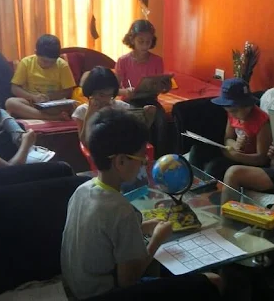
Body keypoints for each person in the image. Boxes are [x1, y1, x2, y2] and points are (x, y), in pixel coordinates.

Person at [61, 108, 222, 299]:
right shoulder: (121, 210)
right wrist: (157, 239)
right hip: (103, 295)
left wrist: (143, 227)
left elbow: (103, 233)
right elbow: (128, 280)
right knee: (213, 281)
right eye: (141, 158)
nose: (145, 163)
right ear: (120, 161)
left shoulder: (83, 189)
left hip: (74, 290)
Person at [189, 78, 271, 180]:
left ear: (248, 105)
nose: (232, 114)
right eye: (229, 111)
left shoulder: (261, 121)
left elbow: (262, 159)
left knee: (215, 167)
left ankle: (204, 189)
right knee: (197, 150)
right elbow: (228, 139)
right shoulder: (233, 114)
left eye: (234, 111)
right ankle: (191, 183)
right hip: (235, 153)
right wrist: (235, 145)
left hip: (249, 161)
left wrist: (235, 155)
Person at [115, 20, 168, 157]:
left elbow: (160, 86)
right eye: (141, 41)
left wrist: (164, 87)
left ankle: (158, 158)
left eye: (148, 42)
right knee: (137, 123)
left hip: (150, 99)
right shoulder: (123, 61)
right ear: (132, 40)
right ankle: (137, 157)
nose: (145, 46)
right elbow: (114, 89)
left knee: (162, 122)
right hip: (130, 101)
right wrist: (125, 91)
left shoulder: (157, 60)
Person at [72, 66, 156, 145]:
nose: (106, 99)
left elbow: (138, 137)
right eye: (101, 95)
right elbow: (84, 143)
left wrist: (148, 119)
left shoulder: (121, 107)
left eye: (110, 95)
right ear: (90, 92)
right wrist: (89, 114)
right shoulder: (82, 110)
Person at [5, 34, 77, 121]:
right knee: (10, 103)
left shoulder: (62, 65)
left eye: (52, 62)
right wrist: (33, 97)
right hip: (31, 102)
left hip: (53, 103)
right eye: (44, 61)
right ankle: (51, 118)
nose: (48, 65)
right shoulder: (26, 63)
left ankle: (33, 114)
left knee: (72, 106)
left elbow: (68, 91)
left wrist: (50, 97)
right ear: (36, 53)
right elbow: (14, 88)